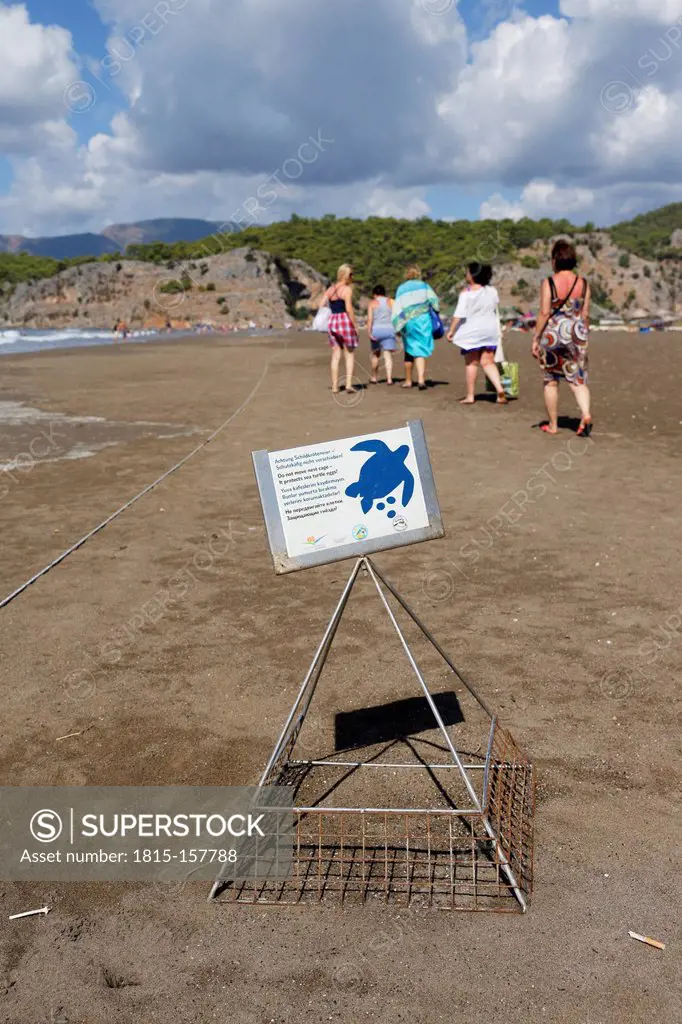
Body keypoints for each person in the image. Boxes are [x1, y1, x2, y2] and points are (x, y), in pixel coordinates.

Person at [532, 240, 592, 436]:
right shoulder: (583, 284)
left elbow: (544, 312)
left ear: (555, 260)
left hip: (554, 334)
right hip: (576, 333)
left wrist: (536, 337)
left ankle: (553, 425)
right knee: (578, 380)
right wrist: (584, 336)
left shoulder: (549, 283)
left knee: (550, 381)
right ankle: (585, 413)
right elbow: (585, 315)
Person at [447, 264, 507, 405]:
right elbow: (494, 306)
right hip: (490, 330)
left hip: (472, 331)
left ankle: (470, 396)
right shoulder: (492, 291)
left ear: (473, 276)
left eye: (467, 272)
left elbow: (459, 315)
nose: (466, 275)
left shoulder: (466, 293)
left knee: (472, 363)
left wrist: (451, 331)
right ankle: (500, 390)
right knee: (488, 362)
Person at [392, 265, 440, 390]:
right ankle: (421, 380)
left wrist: (398, 326)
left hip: (408, 322)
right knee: (421, 350)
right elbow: (435, 302)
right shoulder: (424, 286)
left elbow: (397, 308)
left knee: (409, 351)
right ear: (418, 273)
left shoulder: (401, 289)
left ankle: (408, 381)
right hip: (423, 321)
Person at [322, 264, 359, 394]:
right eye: (351, 275)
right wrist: (355, 325)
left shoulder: (330, 289)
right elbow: (349, 308)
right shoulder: (347, 290)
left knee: (336, 354)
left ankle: (334, 386)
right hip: (344, 320)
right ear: (345, 275)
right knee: (349, 353)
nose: (352, 277)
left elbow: (321, 304)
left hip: (333, 320)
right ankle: (348, 385)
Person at [367, 285, 397, 385]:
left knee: (376, 355)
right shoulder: (391, 301)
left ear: (374, 294)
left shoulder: (372, 303)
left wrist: (369, 332)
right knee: (387, 355)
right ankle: (389, 379)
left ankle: (374, 377)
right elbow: (397, 316)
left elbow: (370, 320)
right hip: (389, 330)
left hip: (376, 330)